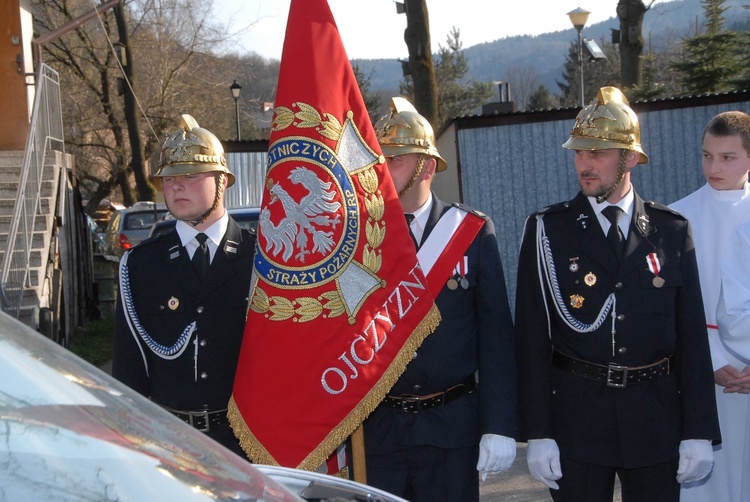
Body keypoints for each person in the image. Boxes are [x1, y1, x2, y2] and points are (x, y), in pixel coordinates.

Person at [515, 86, 721, 502]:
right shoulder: (548, 230)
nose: (584, 165)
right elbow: (531, 339)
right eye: (579, 153)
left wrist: (698, 431)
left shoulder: (670, 230)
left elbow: (691, 338)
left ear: (629, 158)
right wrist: (537, 432)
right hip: (577, 419)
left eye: (598, 153)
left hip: (655, 419)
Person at [360, 97, 517, 501]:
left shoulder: (471, 233)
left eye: (395, 160)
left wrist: (498, 424)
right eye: (379, 160)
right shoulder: (359, 239)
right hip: (379, 429)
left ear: (426, 166)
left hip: (452, 426)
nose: (382, 171)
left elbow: (496, 337)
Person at [113, 114, 255, 457]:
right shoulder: (141, 265)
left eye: (190, 176)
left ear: (222, 181)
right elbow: (129, 371)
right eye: (169, 179)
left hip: (248, 446)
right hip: (171, 445)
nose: (175, 186)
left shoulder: (261, 259)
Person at [669, 111, 750, 502]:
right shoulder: (676, 218)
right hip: (702, 368)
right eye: (706, 156)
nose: (713, 167)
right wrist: (713, 360)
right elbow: (671, 303)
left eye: (727, 157)